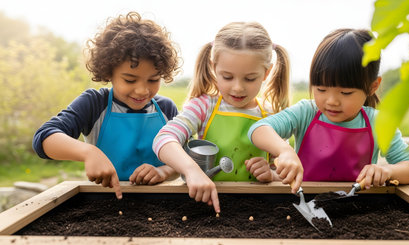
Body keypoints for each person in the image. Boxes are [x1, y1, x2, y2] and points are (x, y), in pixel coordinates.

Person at [153, 22, 301, 213]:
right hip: (205, 206)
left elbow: (285, 171)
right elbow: (163, 139)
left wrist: (271, 174)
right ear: (214, 67)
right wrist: (191, 171)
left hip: (256, 210)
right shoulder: (204, 107)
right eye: (228, 77)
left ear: (266, 73)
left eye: (249, 78)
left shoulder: (271, 115)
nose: (238, 87)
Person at [32, 12, 181, 199]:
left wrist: (164, 172)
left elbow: (184, 157)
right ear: (109, 72)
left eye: (153, 80)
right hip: (105, 202)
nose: (142, 90)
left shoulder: (167, 109)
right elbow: (43, 138)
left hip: (161, 204)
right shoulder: (94, 103)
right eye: (130, 80)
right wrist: (88, 152)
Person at [248, 28, 409, 189]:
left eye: (345, 92)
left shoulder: (378, 122)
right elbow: (258, 129)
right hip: (304, 204)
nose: (331, 101)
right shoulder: (306, 112)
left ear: (372, 87)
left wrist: (388, 171)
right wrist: (285, 151)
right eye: (321, 90)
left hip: (359, 207)